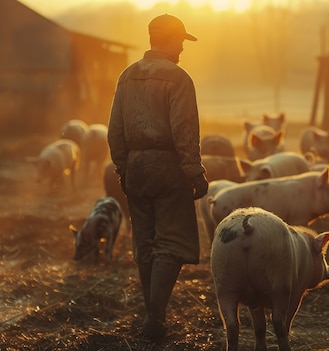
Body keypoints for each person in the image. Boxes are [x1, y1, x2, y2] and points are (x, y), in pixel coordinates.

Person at [107, 14, 208, 340]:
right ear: (167, 39)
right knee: (171, 241)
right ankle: (155, 316)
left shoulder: (127, 76)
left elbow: (115, 130)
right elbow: (184, 131)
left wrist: (123, 167)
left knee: (145, 241)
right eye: (179, 40)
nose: (181, 47)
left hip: (136, 168)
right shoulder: (178, 78)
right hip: (168, 168)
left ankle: (152, 313)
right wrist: (195, 172)